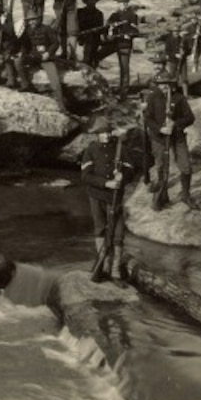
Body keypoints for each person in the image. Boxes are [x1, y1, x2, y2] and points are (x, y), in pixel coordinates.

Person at [80, 116, 133, 283]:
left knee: (118, 234)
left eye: (108, 132)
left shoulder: (120, 148)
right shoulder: (91, 150)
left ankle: (116, 271)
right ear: (97, 135)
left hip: (115, 198)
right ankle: (103, 266)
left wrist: (122, 176)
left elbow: (131, 170)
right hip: (97, 197)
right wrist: (106, 183)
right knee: (101, 230)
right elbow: (85, 176)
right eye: (102, 133)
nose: (106, 136)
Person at [143, 72, 199, 211]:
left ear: (171, 85)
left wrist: (175, 124)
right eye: (161, 85)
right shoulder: (153, 97)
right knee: (162, 167)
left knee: (186, 167)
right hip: (159, 139)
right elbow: (147, 119)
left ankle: (185, 195)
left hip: (177, 137)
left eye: (167, 84)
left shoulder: (179, 98)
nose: (164, 87)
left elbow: (190, 118)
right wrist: (160, 129)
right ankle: (162, 195)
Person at [102, 0, 140, 94]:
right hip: (113, 43)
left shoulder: (132, 16)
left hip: (125, 44)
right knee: (98, 56)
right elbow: (106, 27)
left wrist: (129, 35)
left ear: (127, 3)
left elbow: (135, 31)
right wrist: (110, 28)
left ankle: (124, 89)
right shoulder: (114, 15)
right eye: (120, 2)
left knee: (124, 67)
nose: (122, 5)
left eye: (124, 2)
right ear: (117, 3)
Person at [75, 0, 105, 68]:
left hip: (95, 38)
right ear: (86, 1)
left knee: (94, 57)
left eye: (93, 0)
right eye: (90, 0)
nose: (92, 2)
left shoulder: (99, 13)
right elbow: (77, 25)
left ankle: (92, 67)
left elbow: (101, 28)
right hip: (83, 37)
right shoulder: (80, 12)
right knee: (88, 56)